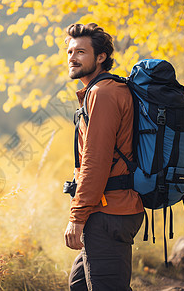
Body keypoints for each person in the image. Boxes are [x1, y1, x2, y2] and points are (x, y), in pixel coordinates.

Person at [63, 23, 145, 290]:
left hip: (109, 212)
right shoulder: (100, 91)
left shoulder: (103, 93)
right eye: (70, 51)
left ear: (100, 57)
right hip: (107, 210)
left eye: (81, 52)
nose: (72, 58)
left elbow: (95, 162)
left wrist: (77, 216)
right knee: (79, 285)